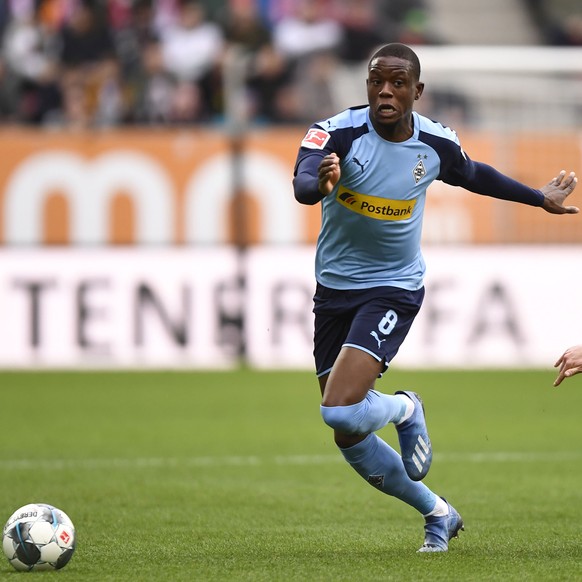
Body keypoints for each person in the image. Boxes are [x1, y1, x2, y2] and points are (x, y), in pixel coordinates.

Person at [292, 42, 578, 553]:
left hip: (393, 287)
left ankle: (404, 408)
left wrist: (540, 198)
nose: (386, 90)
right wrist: (320, 184)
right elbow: (303, 180)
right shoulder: (335, 132)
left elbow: (475, 175)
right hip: (333, 291)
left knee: (337, 410)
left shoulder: (435, 144)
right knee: (348, 434)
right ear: (367, 87)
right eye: (377, 80)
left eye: (398, 83)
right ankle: (437, 513)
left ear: (416, 92)